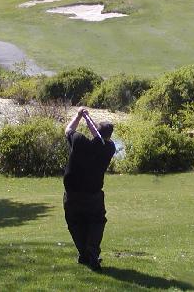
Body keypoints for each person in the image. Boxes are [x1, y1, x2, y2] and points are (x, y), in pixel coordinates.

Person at [63, 106, 116, 271]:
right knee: (96, 222)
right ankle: (92, 252)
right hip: (93, 195)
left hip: (72, 194)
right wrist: (87, 119)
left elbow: (68, 129)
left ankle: (84, 254)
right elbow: (98, 135)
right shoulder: (109, 148)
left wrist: (80, 116)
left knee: (75, 223)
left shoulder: (79, 141)